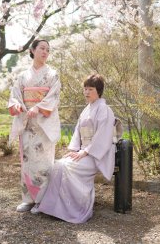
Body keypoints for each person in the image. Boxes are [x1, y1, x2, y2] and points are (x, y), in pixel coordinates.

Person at [38, 74, 117, 223]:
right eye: (85, 89)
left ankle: (76, 209)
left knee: (65, 167)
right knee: (58, 165)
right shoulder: (86, 109)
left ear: (98, 91)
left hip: (96, 156)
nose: (86, 92)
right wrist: (74, 150)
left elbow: (103, 136)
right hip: (83, 152)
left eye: (90, 89)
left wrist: (85, 151)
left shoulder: (104, 110)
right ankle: (52, 207)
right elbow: (77, 133)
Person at [8, 39, 61, 214]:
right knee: (27, 162)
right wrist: (16, 106)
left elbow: (53, 97)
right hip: (27, 124)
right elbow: (15, 95)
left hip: (43, 125)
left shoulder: (53, 74)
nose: (45, 52)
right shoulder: (23, 76)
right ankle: (28, 199)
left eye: (48, 50)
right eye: (42, 48)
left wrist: (38, 107)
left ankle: (42, 201)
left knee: (44, 163)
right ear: (32, 50)